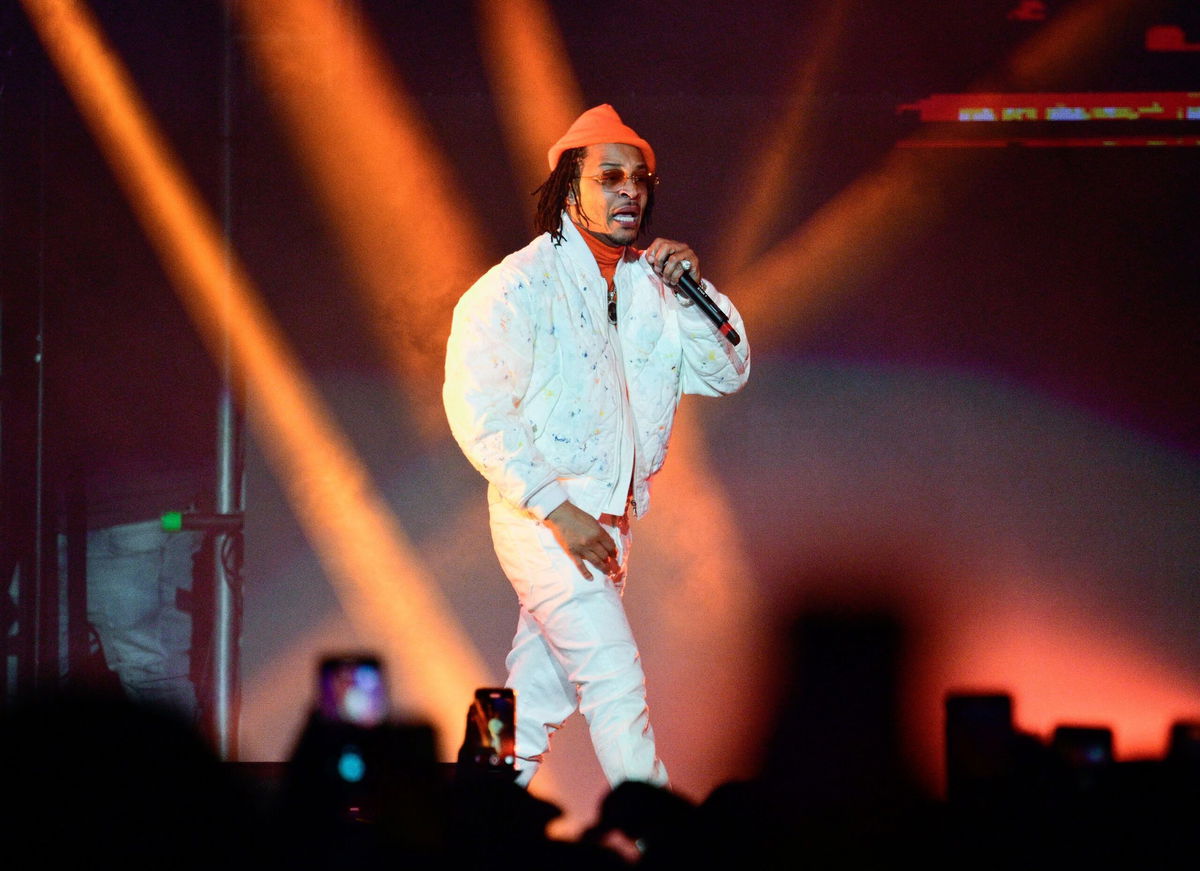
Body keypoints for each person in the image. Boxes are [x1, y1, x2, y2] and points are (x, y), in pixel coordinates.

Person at [443, 104, 750, 788]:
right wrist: (558, 509)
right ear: (568, 187)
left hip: (611, 528)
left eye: (640, 178)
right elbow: (477, 407)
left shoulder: (655, 289)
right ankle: (659, 837)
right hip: (546, 521)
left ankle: (473, 811)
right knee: (615, 680)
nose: (630, 191)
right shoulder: (517, 288)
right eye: (610, 176)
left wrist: (697, 290)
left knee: (532, 701)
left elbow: (729, 369)